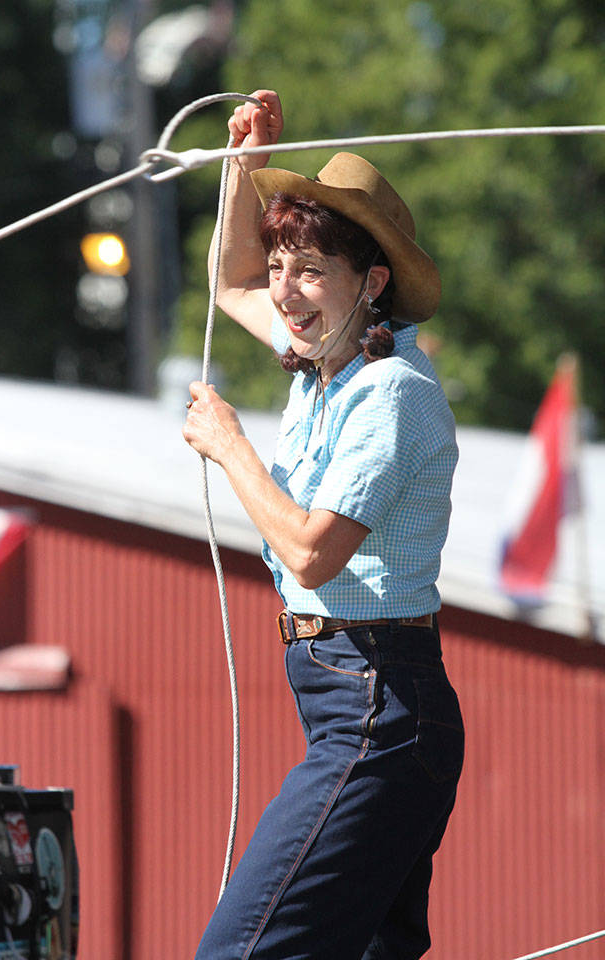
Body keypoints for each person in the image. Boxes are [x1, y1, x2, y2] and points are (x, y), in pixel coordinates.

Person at [183, 90, 464, 960]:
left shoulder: (392, 395)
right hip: (360, 701)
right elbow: (230, 279)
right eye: (283, 267)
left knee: (241, 952)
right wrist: (245, 166)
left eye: (309, 270)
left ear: (370, 282)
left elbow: (309, 551)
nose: (286, 293)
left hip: (379, 702)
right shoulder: (323, 366)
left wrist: (231, 447)